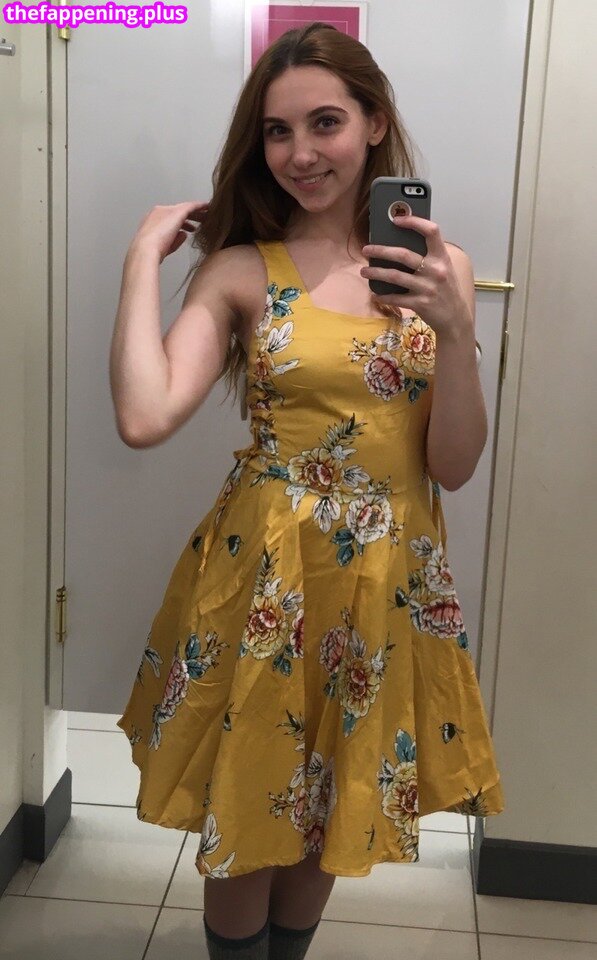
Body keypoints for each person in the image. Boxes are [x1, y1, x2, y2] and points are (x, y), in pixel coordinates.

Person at [110, 21, 505, 960]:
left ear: (373, 123)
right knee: (252, 797)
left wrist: (455, 331)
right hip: (268, 575)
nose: (299, 153)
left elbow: (452, 465)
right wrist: (140, 261)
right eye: (277, 132)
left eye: (324, 122)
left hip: (384, 579)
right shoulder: (244, 269)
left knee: (330, 801)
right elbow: (144, 415)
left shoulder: (439, 270)